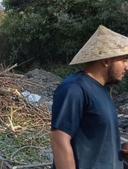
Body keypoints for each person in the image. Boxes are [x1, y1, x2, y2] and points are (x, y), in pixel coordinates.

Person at [51, 25, 128, 169]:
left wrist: (120, 148)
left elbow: (96, 138)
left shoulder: (103, 90)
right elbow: (59, 139)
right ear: (106, 60)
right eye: (124, 60)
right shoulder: (74, 88)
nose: (127, 66)